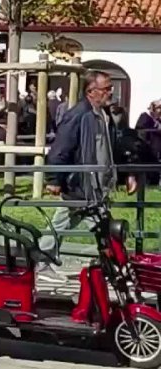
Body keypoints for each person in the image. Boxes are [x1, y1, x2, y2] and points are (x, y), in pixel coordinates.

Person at [44, 71, 135, 283]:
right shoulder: (79, 114)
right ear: (91, 91)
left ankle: (41, 259)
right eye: (106, 89)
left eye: (110, 88)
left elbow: (110, 148)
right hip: (83, 184)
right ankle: (118, 268)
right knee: (105, 227)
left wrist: (124, 174)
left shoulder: (104, 114)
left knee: (65, 224)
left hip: (96, 184)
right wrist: (54, 180)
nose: (110, 93)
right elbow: (60, 148)